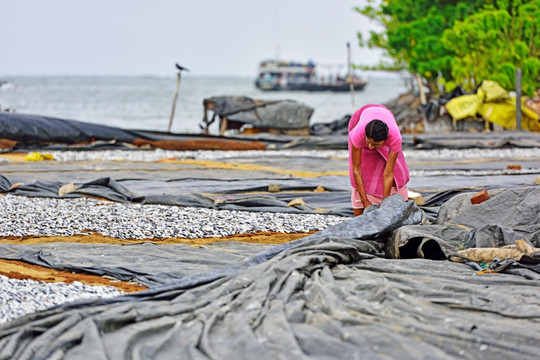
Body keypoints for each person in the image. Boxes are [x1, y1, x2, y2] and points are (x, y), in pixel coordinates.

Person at [348, 104, 410, 216]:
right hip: (361, 118)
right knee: (366, 163)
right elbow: (356, 168)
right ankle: (361, 200)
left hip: (385, 116)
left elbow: (388, 172)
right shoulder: (358, 134)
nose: (370, 146)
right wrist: (365, 201)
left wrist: (385, 204)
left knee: (393, 167)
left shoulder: (395, 137)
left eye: (375, 144)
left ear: (386, 140)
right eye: (368, 142)